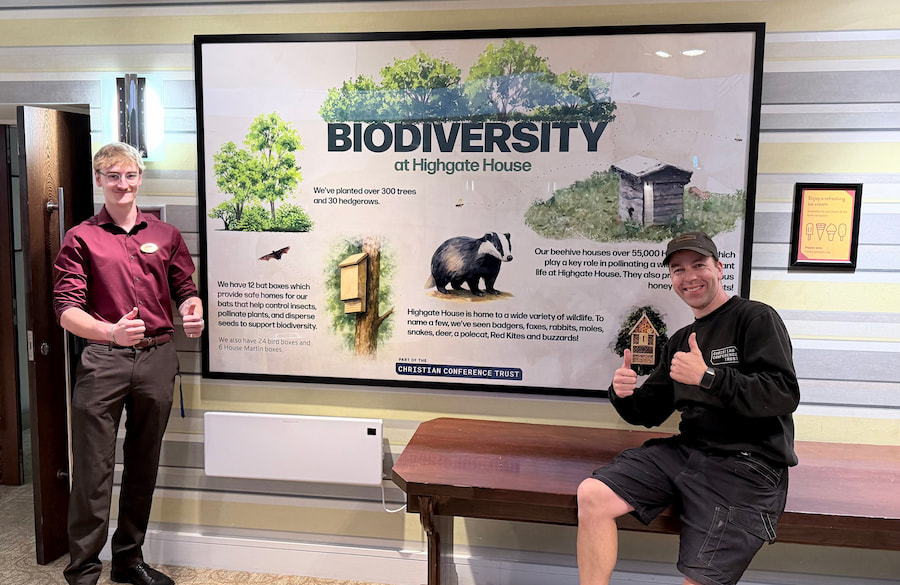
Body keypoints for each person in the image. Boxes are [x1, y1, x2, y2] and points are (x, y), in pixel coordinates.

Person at [576, 231, 799, 585]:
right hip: (688, 453)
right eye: (678, 269)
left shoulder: (755, 318)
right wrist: (623, 393)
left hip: (748, 465)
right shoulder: (680, 340)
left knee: (699, 580)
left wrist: (708, 378)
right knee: (593, 494)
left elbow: (783, 393)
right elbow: (648, 413)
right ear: (671, 279)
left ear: (719, 268)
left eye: (699, 265)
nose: (689, 276)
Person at [53, 142, 204, 585]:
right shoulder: (81, 238)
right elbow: (65, 310)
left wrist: (192, 308)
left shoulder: (166, 234)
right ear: (99, 179)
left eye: (130, 176)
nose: (123, 184)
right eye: (113, 176)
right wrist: (109, 332)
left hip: (158, 358)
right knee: (93, 471)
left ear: (140, 179)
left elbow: (184, 288)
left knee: (144, 463)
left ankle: (128, 560)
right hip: (104, 361)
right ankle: (82, 571)